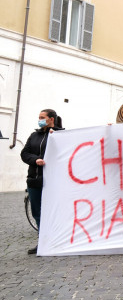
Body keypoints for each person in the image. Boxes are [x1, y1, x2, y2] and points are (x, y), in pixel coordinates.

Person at [20, 109, 64, 254]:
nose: (39, 119)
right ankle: (42, 242)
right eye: (39, 117)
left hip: (53, 181)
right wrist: (35, 160)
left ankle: (56, 241)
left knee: (54, 212)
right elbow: (24, 153)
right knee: (37, 212)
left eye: (42, 117)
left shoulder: (61, 135)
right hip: (34, 179)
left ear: (51, 119)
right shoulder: (34, 135)